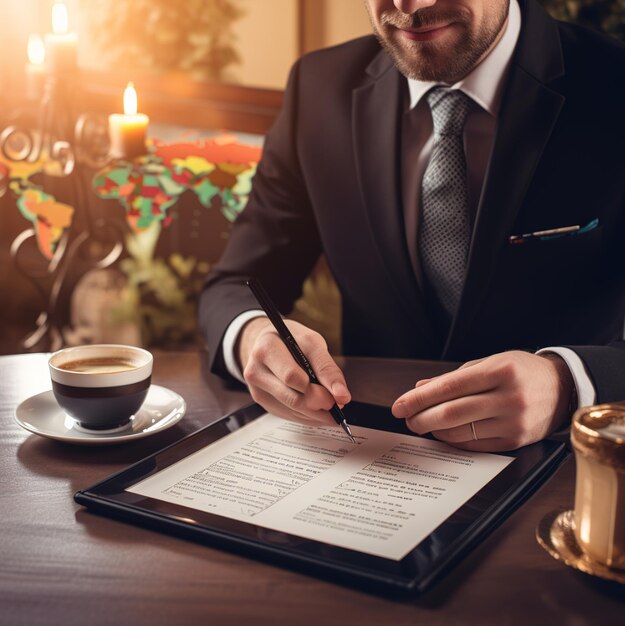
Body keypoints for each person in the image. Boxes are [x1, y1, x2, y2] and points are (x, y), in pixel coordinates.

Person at [199, 0, 625, 452]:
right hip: (371, 459)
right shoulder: (317, 86)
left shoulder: (614, 82)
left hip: (577, 464)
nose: (410, 5)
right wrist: (253, 337)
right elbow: (234, 284)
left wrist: (569, 384)